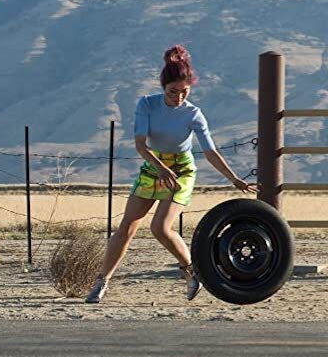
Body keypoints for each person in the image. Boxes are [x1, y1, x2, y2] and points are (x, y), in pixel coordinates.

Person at [85, 45, 258, 303]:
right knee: (126, 228)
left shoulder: (194, 114)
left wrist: (233, 178)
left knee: (160, 228)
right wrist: (160, 168)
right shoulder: (147, 104)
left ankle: (191, 272)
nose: (178, 97)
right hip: (154, 165)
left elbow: (210, 151)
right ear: (163, 87)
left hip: (181, 170)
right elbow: (140, 145)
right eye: (172, 92)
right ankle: (102, 282)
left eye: (184, 91)